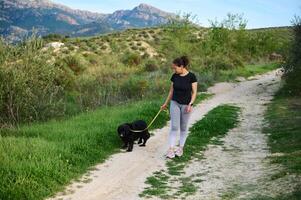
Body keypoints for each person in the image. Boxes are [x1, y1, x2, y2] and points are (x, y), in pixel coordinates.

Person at [161, 56, 198, 158]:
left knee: (183, 127)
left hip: (186, 105)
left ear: (181, 66)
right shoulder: (175, 76)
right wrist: (165, 103)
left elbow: (194, 92)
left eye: (175, 68)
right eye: (173, 68)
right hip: (175, 103)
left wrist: (191, 104)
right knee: (174, 127)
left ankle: (180, 148)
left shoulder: (192, 76)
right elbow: (171, 91)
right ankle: (171, 149)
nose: (174, 70)